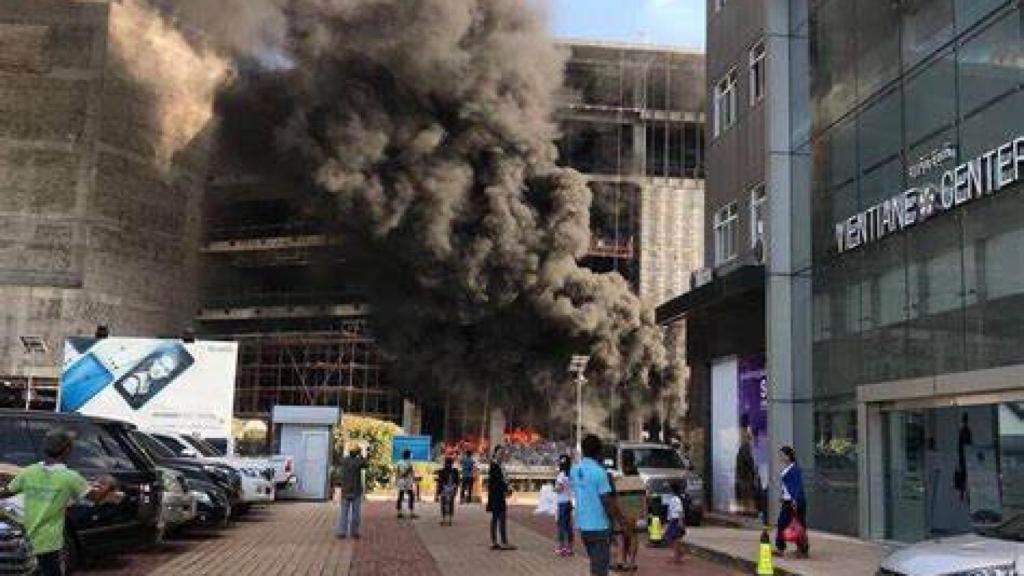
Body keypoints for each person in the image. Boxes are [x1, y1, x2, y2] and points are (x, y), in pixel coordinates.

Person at [0, 429, 123, 576]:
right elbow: (95, 497)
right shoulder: (70, 477)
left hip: (27, 537)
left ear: (45, 449)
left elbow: (7, 492)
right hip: (50, 541)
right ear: (67, 450)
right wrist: (109, 485)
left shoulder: (29, 471)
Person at [571, 435, 623, 576]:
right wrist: (620, 519)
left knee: (595, 564)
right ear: (599, 452)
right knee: (600, 570)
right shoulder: (600, 473)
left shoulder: (574, 470)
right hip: (599, 526)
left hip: (583, 526)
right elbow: (607, 501)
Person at [612, 450, 647, 572]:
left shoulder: (619, 479)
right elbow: (643, 496)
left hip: (623, 510)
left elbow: (615, 495)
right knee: (633, 536)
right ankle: (631, 562)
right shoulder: (639, 479)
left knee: (622, 536)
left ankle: (622, 560)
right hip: (635, 510)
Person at [775, 446, 809, 558]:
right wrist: (783, 496)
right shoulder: (787, 468)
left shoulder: (795, 468)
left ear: (788, 456)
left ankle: (803, 550)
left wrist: (794, 500)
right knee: (781, 523)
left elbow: (797, 486)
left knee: (799, 525)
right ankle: (781, 548)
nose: (780, 457)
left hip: (795, 501)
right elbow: (787, 486)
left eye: (782, 455)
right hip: (788, 501)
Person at [487, 445, 516, 550]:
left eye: (503, 453)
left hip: (499, 495)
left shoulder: (501, 466)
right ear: (495, 454)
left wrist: (508, 488)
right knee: (498, 517)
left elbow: (504, 480)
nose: (502, 455)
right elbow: (497, 482)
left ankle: (498, 542)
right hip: (496, 495)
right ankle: (499, 542)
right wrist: (506, 489)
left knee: (499, 518)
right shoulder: (494, 466)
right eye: (500, 453)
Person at [336, 446, 368, 538]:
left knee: (344, 512)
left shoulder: (344, 461)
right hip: (356, 490)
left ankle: (342, 532)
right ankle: (354, 532)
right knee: (356, 513)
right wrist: (362, 455)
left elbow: (339, 462)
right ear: (357, 453)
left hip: (345, 489)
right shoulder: (358, 462)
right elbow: (366, 464)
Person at [735, 414, 761, 515]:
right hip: (746, 478)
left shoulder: (745, 447)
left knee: (747, 492)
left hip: (745, 478)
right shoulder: (746, 448)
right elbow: (749, 464)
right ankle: (750, 510)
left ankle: (749, 510)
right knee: (748, 492)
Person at [554, 454, 574, 556]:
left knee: (561, 525)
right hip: (569, 501)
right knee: (568, 526)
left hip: (562, 502)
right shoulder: (571, 474)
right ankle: (569, 547)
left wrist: (554, 489)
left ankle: (561, 547)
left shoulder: (561, 475)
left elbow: (559, 488)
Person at [664, 481, 687, 564]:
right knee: (671, 538)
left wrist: (680, 522)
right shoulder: (672, 498)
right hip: (672, 520)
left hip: (676, 520)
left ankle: (677, 556)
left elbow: (680, 511)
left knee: (674, 538)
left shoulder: (676, 499)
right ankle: (679, 553)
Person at [437, 456, 460, 526]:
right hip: (452, 489)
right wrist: (454, 488)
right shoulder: (455, 471)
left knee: (443, 503)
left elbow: (440, 482)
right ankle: (450, 519)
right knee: (451, 503)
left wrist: (438, 492)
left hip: (444, 489)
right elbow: (457, 481)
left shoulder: (442, 471)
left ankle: (444, 519)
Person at [395, 448, 418, 519]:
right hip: (407, 481)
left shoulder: (399, 462)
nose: (412, 455)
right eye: (411, 454)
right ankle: (411, 512)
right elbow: (411, 473)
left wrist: (397, 480)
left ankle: (399, 512)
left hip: (401, 481)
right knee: (411, 496)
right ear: (408, 455)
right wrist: (413, 480)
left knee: (400, 496)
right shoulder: (409, 463)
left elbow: (397, 472)